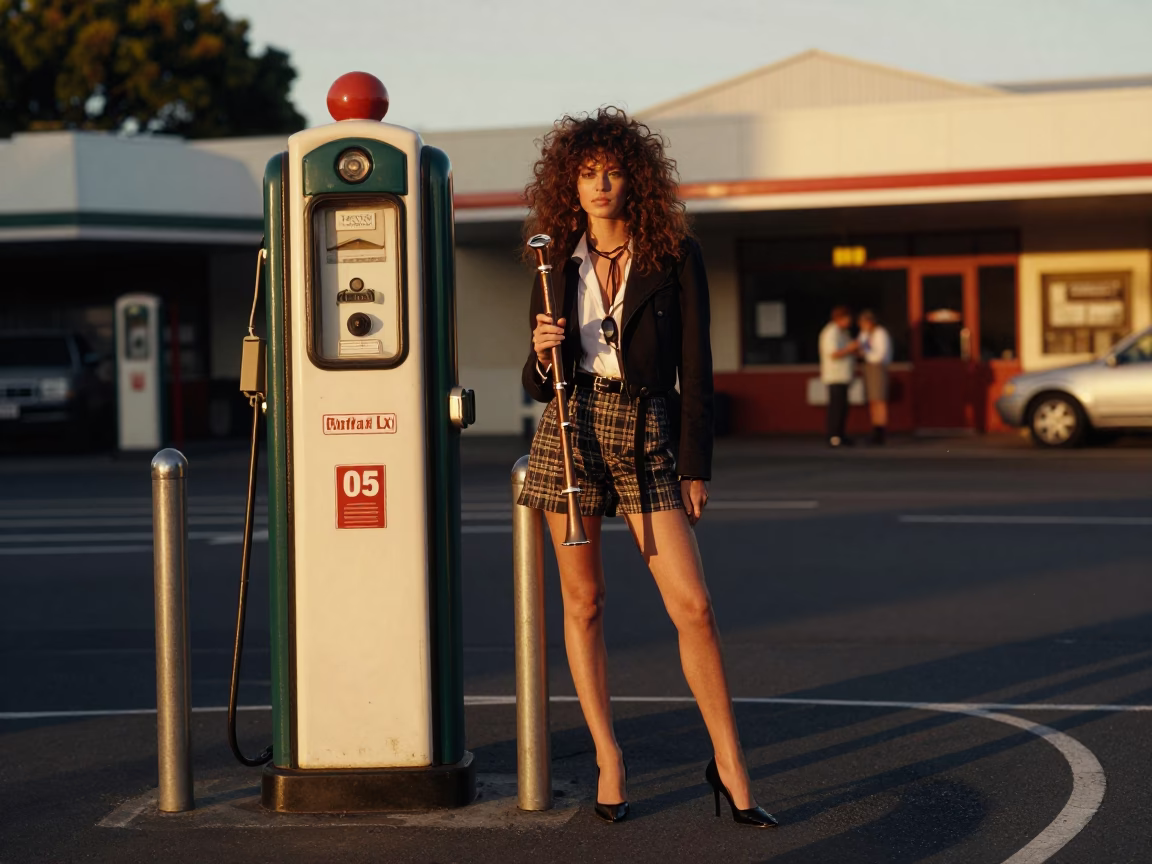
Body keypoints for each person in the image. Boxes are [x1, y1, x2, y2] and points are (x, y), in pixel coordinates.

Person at [518, 107, 777, 829]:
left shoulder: (672, 253)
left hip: (647, 427)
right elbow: (538, 380)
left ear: (636, 178)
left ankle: (729, 764)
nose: (600, 184)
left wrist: (697, 465)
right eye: (587, 172)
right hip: (570, 429)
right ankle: (608, 755)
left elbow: (698, 367)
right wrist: (542, 352)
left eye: (612, 171)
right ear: (570, 183)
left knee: (692, 605)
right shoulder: (554, 257)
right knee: (584, 603)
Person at [818, 306, 858, 447]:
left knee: (843, 407)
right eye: (847, 319)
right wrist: (850, 348)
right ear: (840, 319)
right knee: (836, 408)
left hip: (844, 376)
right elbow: (833, 353)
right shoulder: (831, 333)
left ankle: (841, 434)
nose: (849, 322)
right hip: (834, 376)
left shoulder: (843, 333)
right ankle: (833, 436)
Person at [857, 310, 892, 445]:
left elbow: (880, 354)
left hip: (878, 367)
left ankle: (881, 430)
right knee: (872, 400)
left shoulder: (880, 333)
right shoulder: (865, 334)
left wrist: (865, 353)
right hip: (868, 368)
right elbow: (861, 347)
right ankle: (874, 428)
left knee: (879, 399)